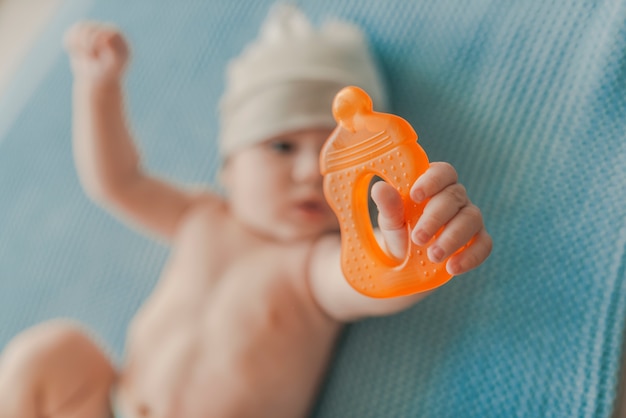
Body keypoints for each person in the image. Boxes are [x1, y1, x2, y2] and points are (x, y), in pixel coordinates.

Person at [0, 5, 491, 418]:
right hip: (115, 404)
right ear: (229, 168)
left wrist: (417, 235)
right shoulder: (200, 217)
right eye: (281, 146)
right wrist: (98, 89)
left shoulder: (314, 266)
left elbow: (373, 280)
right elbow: (117, 181)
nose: (310, 173)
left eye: (332, 157)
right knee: (51, 353)